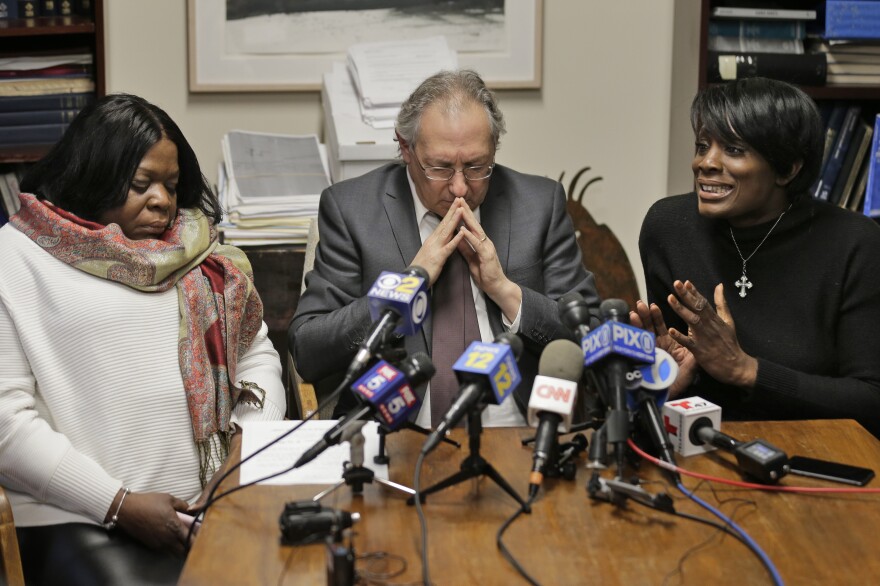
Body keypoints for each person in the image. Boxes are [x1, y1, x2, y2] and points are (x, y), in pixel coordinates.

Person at [0, 93, 286, 584]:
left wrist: (239, 459)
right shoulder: (18, 257)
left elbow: (258, 357)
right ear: (93, 175)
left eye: (171, 185)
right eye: (140, 184)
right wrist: (119, 505)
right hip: (79, 515)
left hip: (213, 505)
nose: (162, 200)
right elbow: (6, 424)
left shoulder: (203, 256)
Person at [291, 69, 598, 427]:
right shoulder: (352, 209)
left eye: (475, 166)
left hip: (521, 433)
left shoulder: (539, 204)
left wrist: (505, 291)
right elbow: (308, 350)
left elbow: (588, 335)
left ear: (494, 148)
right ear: (405, 148)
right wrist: (406, 285)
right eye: (439, 167)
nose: (459, 188)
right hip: (399, 436)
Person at [634, 77, 880, 436]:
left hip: (821, 450)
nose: (706, 163)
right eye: (703, 146)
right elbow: (684, 377)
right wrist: (669, 377)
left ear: (788, 169)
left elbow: (871, 401)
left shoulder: (855, 244)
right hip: (705, 447)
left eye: (733, 150)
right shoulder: (668, 228)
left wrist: (746, 370)